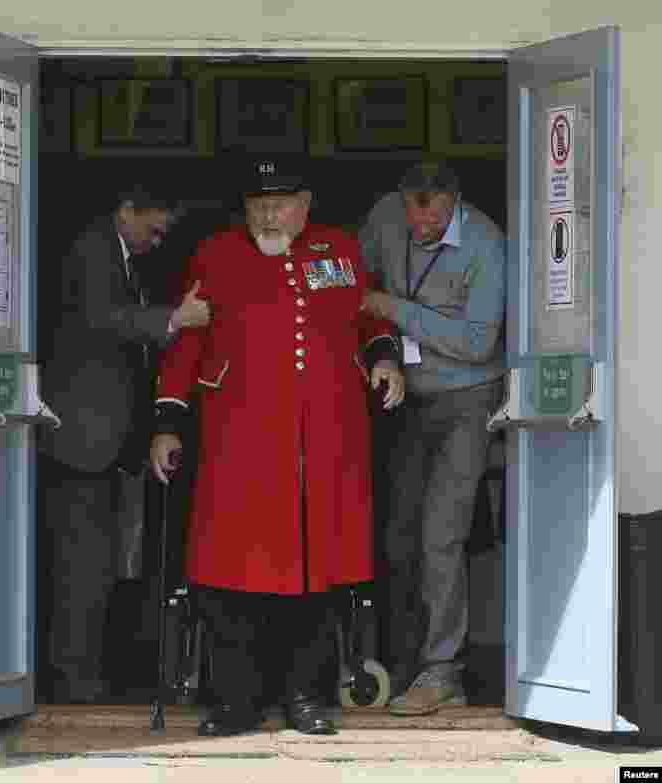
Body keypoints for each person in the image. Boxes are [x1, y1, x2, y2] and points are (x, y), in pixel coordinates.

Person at [149, 159, 405, 737]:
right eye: (257, 203)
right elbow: (188, 342)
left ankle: (306, 699)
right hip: (237, 444)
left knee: (314, 582)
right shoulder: (215, 254)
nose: (268, 214)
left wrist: (386, 357)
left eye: (281, 202)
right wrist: (168, 419)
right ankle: (235, 702)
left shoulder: (339, 249)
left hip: (323, 446)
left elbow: (367, 317)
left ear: (307, 203)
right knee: (228, 580)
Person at [37, 185, 211, 704]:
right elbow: (102, 318)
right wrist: (174, 320)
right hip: (82, 441)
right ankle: (74, 679)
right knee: (82, 568)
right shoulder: (92, 249)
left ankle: (87, 671)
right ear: (126, 209)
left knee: (101, 566)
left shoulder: (120, 254)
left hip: (108, 442)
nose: (157, 243)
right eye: (153, 230)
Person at [358, 161, 507, 716]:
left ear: (456, 202)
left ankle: (443, 669)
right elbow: (357, 277)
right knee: (395, 533)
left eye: (435, 219)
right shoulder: (385, 217)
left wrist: (394, 309)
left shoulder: (488, 244)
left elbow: (474, 341)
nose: (421, 230)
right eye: (413, 217)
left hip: (468, 398)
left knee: (441, 535)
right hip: (402, 394)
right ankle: (400, 661)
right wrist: (383, 347)